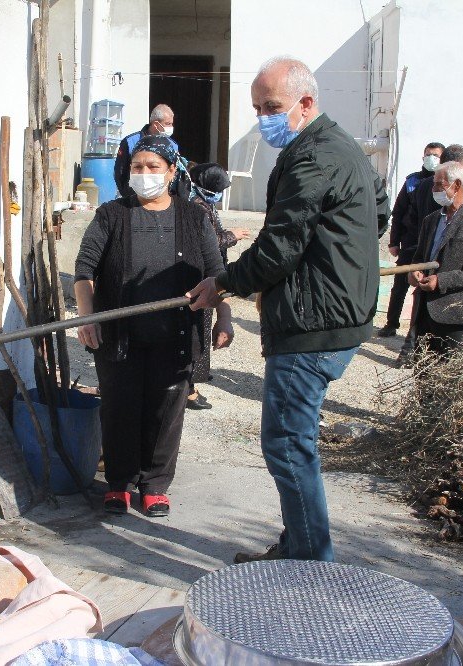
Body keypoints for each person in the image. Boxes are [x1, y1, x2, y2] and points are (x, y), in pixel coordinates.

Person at [186, 56, 389, 563]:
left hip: (313, 324)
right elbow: (376, 213)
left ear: (306, 102)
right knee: (292, 443)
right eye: (257, 108)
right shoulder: (339, 147)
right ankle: (300, 546)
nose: (263, 118)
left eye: (271, 106)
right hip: (331, 314)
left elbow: (280, 245)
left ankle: (308, 564)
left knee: (286, 445)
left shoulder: (315, 157)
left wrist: (225, 283)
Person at [75, 135, 233, 517]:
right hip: (120, 334)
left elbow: (217, 273)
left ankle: (155, 485)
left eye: (152, 167)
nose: (144, 174)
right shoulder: (112, 215)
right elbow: (84, 269)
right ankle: (118, 483)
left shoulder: (195, 218)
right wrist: (87, 316)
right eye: (137, 168)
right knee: (119, 406)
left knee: (166, 409)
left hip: (175, 333)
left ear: (171, 171)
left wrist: (224, 315)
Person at [407, 161, 463, 355]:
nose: (434, 189)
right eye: (434, 184)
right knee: (423, 375)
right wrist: (414, 272)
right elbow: (420, 257)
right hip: (424, 314)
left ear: (456, 185)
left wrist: (441, 281)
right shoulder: (431, 220)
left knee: (450, 379)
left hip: (455, 316)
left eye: (440, 184)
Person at [185, 163, 251, 410]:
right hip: (200, 277)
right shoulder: (196, 208)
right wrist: (232, 235)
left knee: (203, 327)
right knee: (197, 331)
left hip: (209, 275)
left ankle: (196, 376)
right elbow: (209, 243)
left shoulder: (205, 204)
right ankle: (189, 386)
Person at [397, 143, 463, 364]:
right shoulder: (427, 191)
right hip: (426, 255)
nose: (436, 189)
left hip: (450, 292)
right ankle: (409, 350)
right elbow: (409, 215)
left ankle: (409, 350)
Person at [379, 142, 445, 337]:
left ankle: (416, 331)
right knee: (400, 285)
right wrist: (393, 242)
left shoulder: (443, 184)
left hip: (430, 245)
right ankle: (391, 323)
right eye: (427, 154)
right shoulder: (412, 181)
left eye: (435, 155)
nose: (430, 158)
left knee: (423, 288)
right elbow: (398, 212)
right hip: (410, 242)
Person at [114, 104, 179, 199]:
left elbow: (174, 173)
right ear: (156, 125)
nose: (171, 127)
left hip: (161, 199)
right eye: (168, 124)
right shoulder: (130, 141)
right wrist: (128, 196)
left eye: (171, 124)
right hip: (133, 197)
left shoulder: (173, 145)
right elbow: (120, 172)